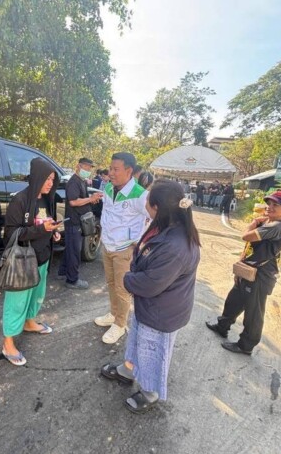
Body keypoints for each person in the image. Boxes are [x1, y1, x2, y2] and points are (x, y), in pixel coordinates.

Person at [100, 180, 201, 413]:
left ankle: (150, 392)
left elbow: (151, 283)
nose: (144, 203)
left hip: (162, 312)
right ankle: (128, 369)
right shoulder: (165, 225)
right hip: (151, 306)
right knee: (138, 340)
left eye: (147, 200)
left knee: (153, 351)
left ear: (157, 207)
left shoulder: (176, 245)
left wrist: (127, 278)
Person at [206, 191, 281, 355]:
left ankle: (246, 345)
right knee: (234, 300)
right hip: (249, 270)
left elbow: (246, 236)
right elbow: (249, 247)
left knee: (253, 312)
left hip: (261, 276)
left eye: (275, 205)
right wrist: (241, 264)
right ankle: (222, 326)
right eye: (269, 203)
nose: (269, 207)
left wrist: (255, 221)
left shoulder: (277, 226)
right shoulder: (270, 222)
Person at [1, 158, 61, 366]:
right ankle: (8, 343)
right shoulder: (20, 200)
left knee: (36, 296)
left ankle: (29, 322)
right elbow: (11, 233)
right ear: (37, 177)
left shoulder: (46, 199)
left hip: (42, 258)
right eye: (47, 178)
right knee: (16, 302)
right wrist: (40, 230)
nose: (50, 183)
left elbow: (45, 223)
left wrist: (52, 233)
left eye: (53, 179)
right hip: (23, 262)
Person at [94, 152, 149, 344]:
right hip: (108, 245)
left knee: (122, 288)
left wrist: (140, 241)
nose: (111, 173)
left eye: (115, 169)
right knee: (111, 284)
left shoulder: (140, 195)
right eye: (110, 168)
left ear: (129, 171)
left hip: (125, 249)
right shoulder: (109, 187)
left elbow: (153, 217)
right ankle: (113, 314)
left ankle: (120, 324)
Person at [57, 157, 103, 289]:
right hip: (73, 221)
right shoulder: (73, 182)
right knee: (75, 252)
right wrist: (90, 199)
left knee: (70, 249)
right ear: (78, 166)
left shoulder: (82, 181)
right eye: (86, 167)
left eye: (89, 168)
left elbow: (82, 199)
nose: (88, 170)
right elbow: (73, 202)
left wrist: (91, 199)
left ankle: (63, 271)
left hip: (78, 221)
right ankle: (72, 280)